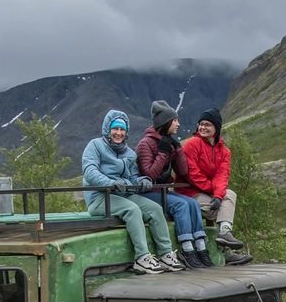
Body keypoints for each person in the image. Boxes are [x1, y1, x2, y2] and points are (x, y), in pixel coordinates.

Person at [83, 109, 185, 275]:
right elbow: (90, 171)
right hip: (100, 197)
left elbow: (132, 176)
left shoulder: (129, 153)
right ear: (107, 129)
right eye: (115, 129)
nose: (118, 133)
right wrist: (111, 183)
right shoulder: (95, 146)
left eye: (122, 129)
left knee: (155, 209)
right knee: (132, 210)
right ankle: (142, 258)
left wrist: (142, 181)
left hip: (123, 194)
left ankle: (166, 253)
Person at [135, 101, 213, 269]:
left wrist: (177, 150)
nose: (178, 124)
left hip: (163, 192)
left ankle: (201, 247)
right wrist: (163, 153)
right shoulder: (145, 144)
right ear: (165, 122)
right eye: (175, 120)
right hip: (148, 193)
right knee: (181, 205)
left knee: (192, 203)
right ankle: (187, 249)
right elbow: (149, 175)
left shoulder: (168, 142)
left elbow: (183, 171)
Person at [179, 108, 253, 266]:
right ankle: (226, 252)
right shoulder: (191, 145)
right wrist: (215, 194)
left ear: (216, 128)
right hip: (189, 192)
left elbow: (222, 175)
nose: (203, 128)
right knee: (220, 209)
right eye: (201, 124)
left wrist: (218, 196)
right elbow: (193, 175)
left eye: (207, 125)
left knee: (230, 194)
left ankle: (225, 232)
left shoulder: (224, 151)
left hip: (209, 193)